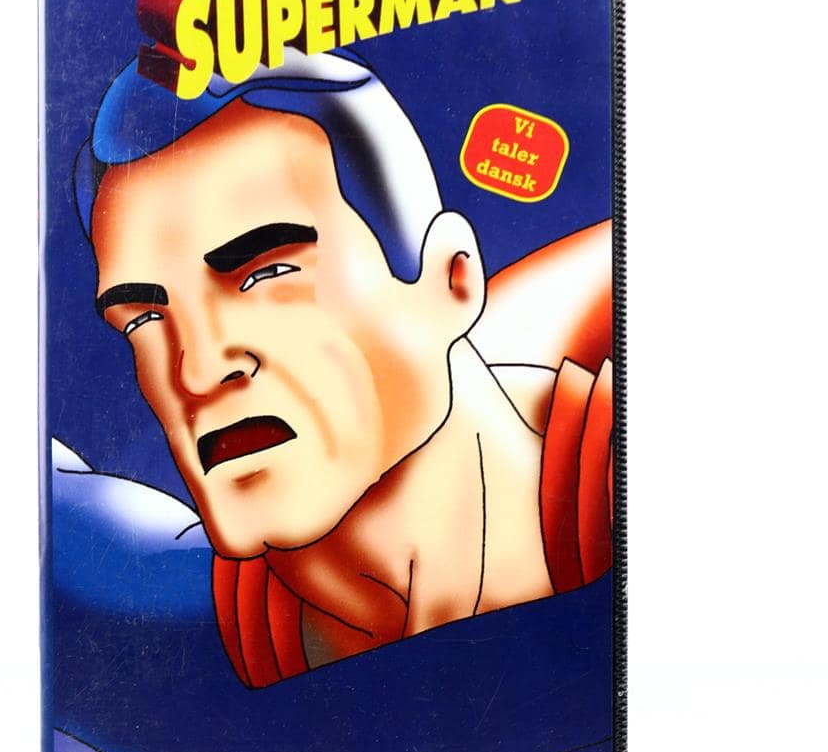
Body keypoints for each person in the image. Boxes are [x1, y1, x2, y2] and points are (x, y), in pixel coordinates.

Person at [70, 47, 613, 687]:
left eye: (268, 273)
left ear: (453, 280)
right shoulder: (169, 619)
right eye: (143, 318)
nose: (197, 371)